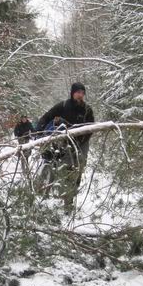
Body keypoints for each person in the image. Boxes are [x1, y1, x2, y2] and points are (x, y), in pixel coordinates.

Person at [36, 83, 95, 212]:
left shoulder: (87, 109)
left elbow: (91, 128)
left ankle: (69, 202)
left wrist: (81, 141)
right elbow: (47, 116)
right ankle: (55, 196)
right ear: (72, 93)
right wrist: (39, 131)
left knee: (77, 172)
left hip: (82, 144)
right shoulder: (63, 106)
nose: (80, 95)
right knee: (64, 170)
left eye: (82, 93)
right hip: (66, 143)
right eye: (78, 92)